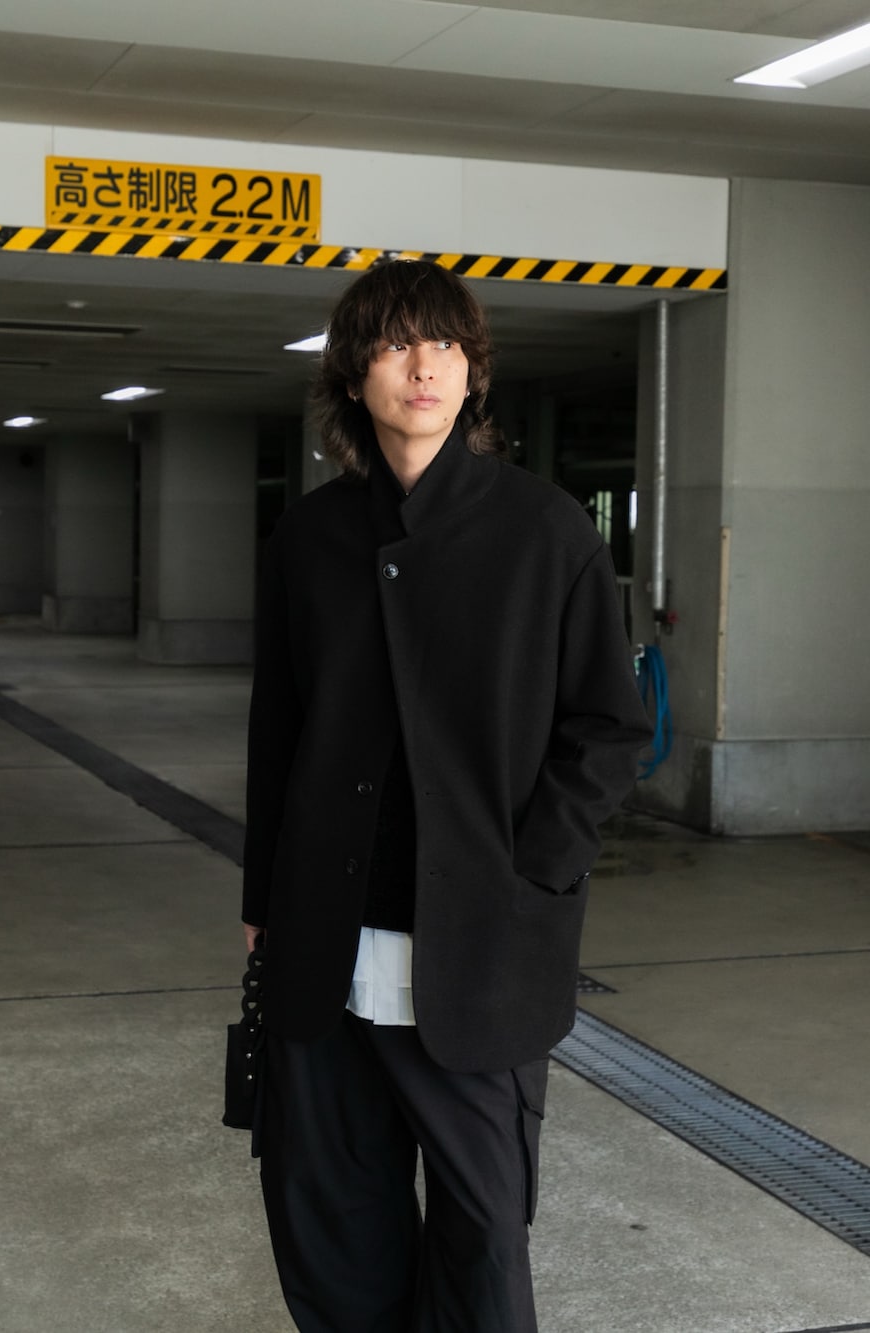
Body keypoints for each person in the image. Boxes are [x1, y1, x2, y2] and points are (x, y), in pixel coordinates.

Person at [242, 259, 650, 1333]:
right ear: (353, 374)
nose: (423, 366)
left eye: (445, 345)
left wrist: (529, 875)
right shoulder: (309, 539)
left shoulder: (545, 531)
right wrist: (261, 902)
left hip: (478, 952)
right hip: (325, 943)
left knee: (483, 1230)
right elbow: (277, 734)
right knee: (332, 1219)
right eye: (394, 344)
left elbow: (609, 729)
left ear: (472, 373)